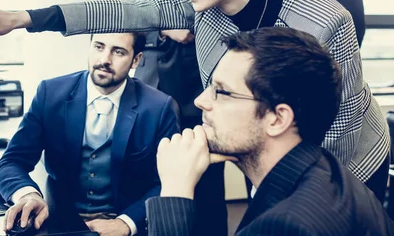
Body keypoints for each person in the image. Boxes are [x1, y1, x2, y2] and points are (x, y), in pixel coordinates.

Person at [0, 0, 389, 202]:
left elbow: (338, 122)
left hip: (350, 158)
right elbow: (123, 10)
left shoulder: (323, 21)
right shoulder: (203, 7)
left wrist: (274, 184)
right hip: (275, 157)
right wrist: (23, 17)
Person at [145, 27, 394, 235]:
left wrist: (175, 191)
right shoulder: (324, 168)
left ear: (277, 119)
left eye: (220, 91)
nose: (200, 101)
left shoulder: (287, 226)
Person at [0, 32, 180, 236]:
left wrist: (126, 223)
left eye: (118, 52)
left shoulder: (159, 108)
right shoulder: (50, 93)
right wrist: (29, 195)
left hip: (124, 223)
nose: (104, 60)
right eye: (99, 47)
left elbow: (169, 182)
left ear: (136, 59)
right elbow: (11, 162)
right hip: (59, 220)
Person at [130, 0, 227, 236]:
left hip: (197, 91)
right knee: (159, 178)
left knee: (206, 180)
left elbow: (191, 20)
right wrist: (165, 31)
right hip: (156, 90)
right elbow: (135, 24)